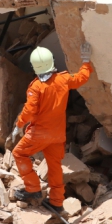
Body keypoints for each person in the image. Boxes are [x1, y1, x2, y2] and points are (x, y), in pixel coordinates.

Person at [9, 43, 93, 212]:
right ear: (52, 62)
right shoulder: (63, 79)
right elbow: (81, 78)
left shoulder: (36, 87)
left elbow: (29, 111)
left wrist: (19, 125)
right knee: (54, 166)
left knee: (18, 153)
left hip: (39, 133)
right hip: (58, 134)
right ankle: (56, 202)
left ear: (35, 67)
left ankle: (32, 189)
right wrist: (86, 60)